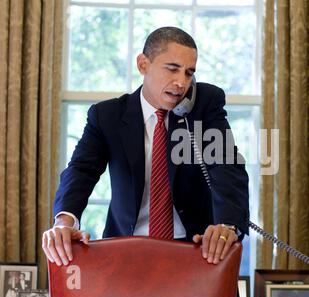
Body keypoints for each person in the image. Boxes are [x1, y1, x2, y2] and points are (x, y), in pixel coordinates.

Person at [42, 26, 249, 268]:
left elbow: (226, 165)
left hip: (196, 250)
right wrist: (64, 221)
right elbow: (80, 171)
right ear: (143, 64)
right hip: (126, 249)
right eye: (172, 69)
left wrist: (228, 224)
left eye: (189, 73)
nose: (181, 82)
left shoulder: (204, 105)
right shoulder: (107, 115)